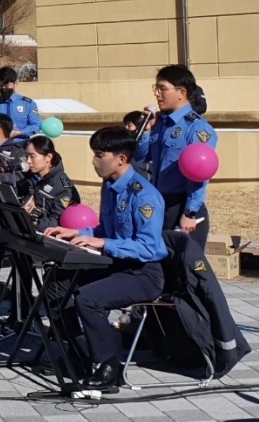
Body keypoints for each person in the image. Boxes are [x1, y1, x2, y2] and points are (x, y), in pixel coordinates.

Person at [45, 126, 167, 390]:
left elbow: (147, 247)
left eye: (100, 155)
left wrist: (103, 242)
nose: (93, 161)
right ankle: (80, 354)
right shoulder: (110, 186)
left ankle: (110, 367)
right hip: (114, 264)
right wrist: (76, 232)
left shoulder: (144, 196)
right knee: (56, 283)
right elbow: (106, 230)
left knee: (88, 299)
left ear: (120, 159)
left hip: (142, 273)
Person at [0, 135, 79, 306]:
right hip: (29, 230)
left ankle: (21, 309)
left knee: (20, 253)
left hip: (50, 238)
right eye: (26, 156)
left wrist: (31, 221)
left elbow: (58, 222)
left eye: (32, 156)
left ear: (48, 157)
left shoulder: (62, 186)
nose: (28, 161)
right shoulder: (33, 178)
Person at [135, 64, 217, 247]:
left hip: (181, 206)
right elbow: (141, 158)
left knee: (186, 269)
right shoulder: (162, 123)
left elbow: (199, 175)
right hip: (159, 203)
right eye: (155, 88)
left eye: (162, 89)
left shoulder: (197, 128)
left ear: (181, 92)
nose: (157, 94)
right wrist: (147, 131)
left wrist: (190, 213)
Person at [0, 66, 41, 140]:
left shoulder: (28, 104)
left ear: (15, 84)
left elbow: (36, 126)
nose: (3, 89)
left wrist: (19, 132)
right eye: (0, 86)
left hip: (20, 146)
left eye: (6, 85)